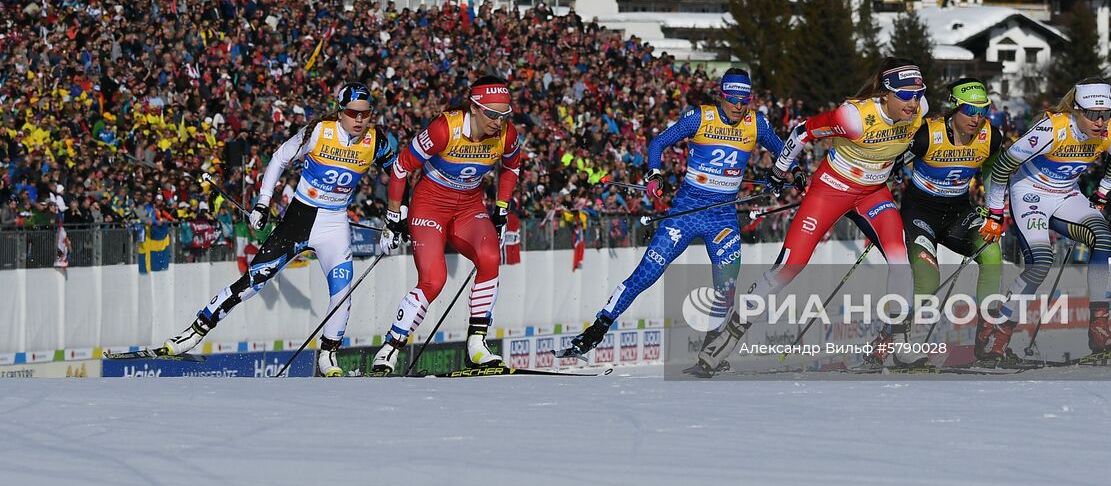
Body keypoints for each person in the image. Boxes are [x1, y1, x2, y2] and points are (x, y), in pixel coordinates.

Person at [694, 58, 927, 376]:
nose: (913, 103)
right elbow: (802, 132)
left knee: (901, 258)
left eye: (917, 94)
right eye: (905, 95)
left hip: (873, 192)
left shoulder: (919, 109)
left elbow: (911, 140)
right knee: (789, 268)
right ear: (886, 93)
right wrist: (779, 170)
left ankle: (901, 346)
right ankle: (726, 338)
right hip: (832, 189)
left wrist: (900, 160)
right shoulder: (855, 117)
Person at [161, 84, 394, 376]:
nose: (359, 120)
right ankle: (194, 332)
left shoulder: (377, 141)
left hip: (334, 223)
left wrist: (397, 219)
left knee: (342, 291)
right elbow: (279, 158)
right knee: (253, 281)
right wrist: (262, 204)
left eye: (365, 114)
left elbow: (399, 173)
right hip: (299, 218)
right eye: (352, 113)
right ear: (339, 111)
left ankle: (328, 356)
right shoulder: (319, 131)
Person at [558, 68, 783, 359]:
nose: (739, 106)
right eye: (733, 99)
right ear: (721, 95)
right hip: (686, 211)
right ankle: (596, 330)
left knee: (726, 286)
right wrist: (654, 174)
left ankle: (710, 352)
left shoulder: (757, 124)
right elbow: (658, 143)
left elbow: (783, 149)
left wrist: (791, 172)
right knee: (646, 274)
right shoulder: (700, 117)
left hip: (723, 216)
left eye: (745, 100)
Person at [371, 76, 522, 374]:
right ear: (474, 108)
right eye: (492, 114)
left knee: (491, 257)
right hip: (431, 204)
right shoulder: (445, 128)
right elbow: (401, 166)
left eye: (505, 115)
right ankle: (390, 347)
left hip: (468, 207)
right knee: (434, 279)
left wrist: (501, 209)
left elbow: (511, 167)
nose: (498, 121)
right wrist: (393, 215)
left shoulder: (505, 133)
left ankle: (476, 346)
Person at [977, 77, 1111, 367]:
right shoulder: (1052, 129)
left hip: (1066, 194)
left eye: (1105, 114)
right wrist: (995, 212)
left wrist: (1103, 192)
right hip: (1030, 193)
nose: (1099, 122)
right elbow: (1004, 164)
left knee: (1103, 236)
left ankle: (1099, 328)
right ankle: (999, 332)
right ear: (1075, 109)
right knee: (1041, 263)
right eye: (1092, 114)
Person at [890, 78, 1004, 366]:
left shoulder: (991, 137)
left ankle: (985, 341)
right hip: (920, 214)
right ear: (954, 108)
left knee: (992, 254)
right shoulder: (928, 134)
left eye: (983, 111)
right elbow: (890, 164)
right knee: (928, 279)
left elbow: (994, 174)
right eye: (969, 110)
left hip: (957, 213)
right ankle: (890, 338)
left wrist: (994, 214)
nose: (976, 119)